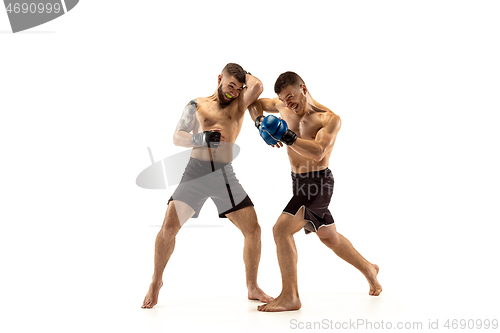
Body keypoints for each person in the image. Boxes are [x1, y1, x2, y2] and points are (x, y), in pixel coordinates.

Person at [249, 71, 382, 312]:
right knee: (329, 237)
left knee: (281, 230)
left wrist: (286, 136)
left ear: (303, 88)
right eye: (283, 99)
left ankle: (290, 296)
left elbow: (319, 151)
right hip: (298, 182)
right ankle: (369, 269)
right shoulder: (281, 105)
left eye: (291, 96)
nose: (288, 103)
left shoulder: (329, 118)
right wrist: (259, 123)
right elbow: (255, 103)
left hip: (317, 183)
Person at [142, 63, 273, 309]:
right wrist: (201, 138)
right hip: (195, 173)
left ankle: (252, 286)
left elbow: (257, 86)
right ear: (219, 78)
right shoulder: (196, 105)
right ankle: (156, 280)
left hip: (224, 175)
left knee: (253, 230)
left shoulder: (239, 104)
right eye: (229, 86)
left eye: (238, 88)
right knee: (168, 228)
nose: (233, 92)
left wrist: (242, 76)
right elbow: (177, 136)